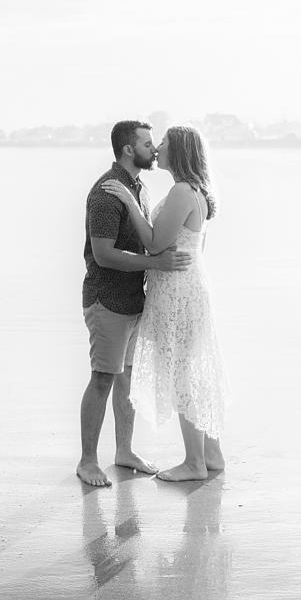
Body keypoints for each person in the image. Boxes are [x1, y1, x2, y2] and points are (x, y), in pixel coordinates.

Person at [102, 125, 231, 482]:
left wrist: (129, 203)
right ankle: (211, 453)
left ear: (180, 152)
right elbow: (195, 248)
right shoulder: (196, 191)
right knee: (191, 370)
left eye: (164, 143)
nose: (157, 148)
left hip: (178, 291)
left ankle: (194, 463)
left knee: (182, 374)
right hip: (189, 286)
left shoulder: (180, 191)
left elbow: (157, 244)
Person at [77, 120, 193, 488]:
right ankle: (87, 461)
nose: (154, 149)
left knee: (125, 380)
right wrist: (156, 263)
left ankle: (124, 452)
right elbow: (104, 254)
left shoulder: (137, 188)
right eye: (146, 143)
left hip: (133, 300)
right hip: (107, 300)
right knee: (102, 379)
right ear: (129, 149)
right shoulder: (106, 193)